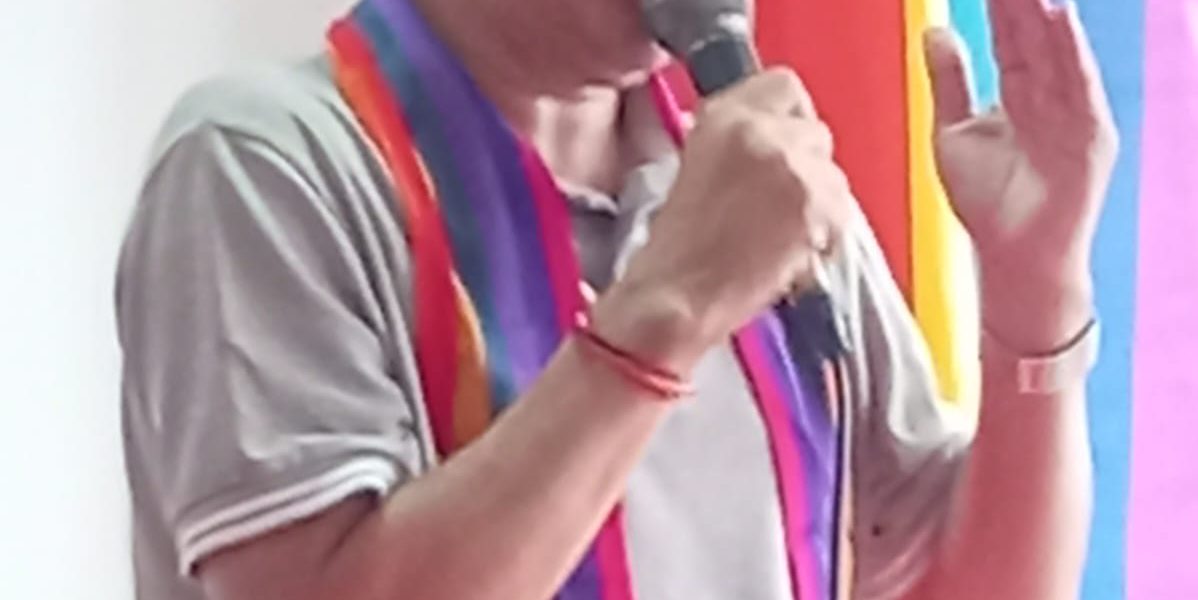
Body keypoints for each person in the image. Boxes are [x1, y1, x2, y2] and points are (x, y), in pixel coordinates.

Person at [116, 0, 1117, 598]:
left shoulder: (752, 169)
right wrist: (668, 312)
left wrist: (1038, 290)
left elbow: (953, 579)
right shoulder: (265, 161)